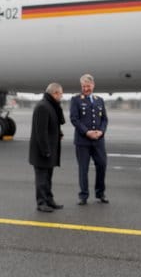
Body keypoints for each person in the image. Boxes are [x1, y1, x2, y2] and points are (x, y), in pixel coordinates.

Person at [70, 74, 109, 205]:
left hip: (98, 140)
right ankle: (83, 196)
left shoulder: (100, 100)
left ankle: (100, 193)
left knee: (102, 166)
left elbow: (104, 119)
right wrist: (87, 132)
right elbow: (74, 119)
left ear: (93, 85)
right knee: (83, 169)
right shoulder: (76, 100)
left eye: (88, 86)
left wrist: (101, 131)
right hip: (83, 141)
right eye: (84, 86)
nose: (86, 88)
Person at [29, 83, 66, 212]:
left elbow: (52, 125)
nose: (61, 96)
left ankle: (49, 200)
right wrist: (46, 151)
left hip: (50, 150)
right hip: (42, 152)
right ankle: (41, 203)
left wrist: (59, 133)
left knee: (48, 178)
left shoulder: (51, 106)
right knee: (41, 179)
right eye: (61, 94)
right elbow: (41, 132)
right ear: (55, 93)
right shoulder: (43, 107)